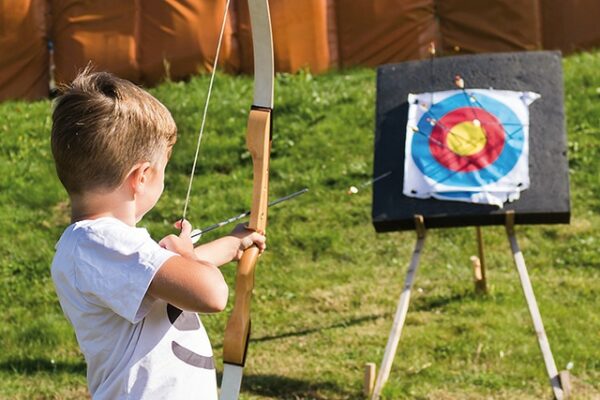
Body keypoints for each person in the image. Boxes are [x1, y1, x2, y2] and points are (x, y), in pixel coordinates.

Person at [50, 69, 266, 399]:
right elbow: (210, 293)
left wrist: (234, 243)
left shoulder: (102, 245)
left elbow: (169, 277)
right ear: (141, 177)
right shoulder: (99, 242)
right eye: (163, 169)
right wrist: (189, 256)